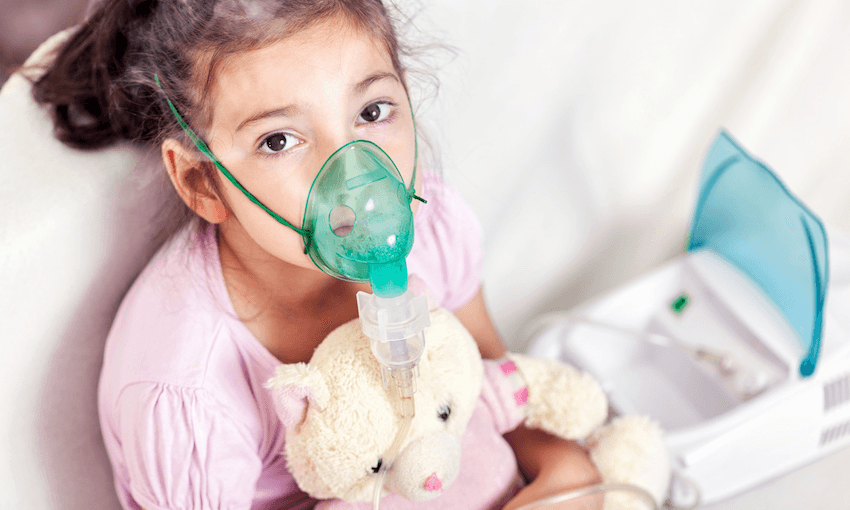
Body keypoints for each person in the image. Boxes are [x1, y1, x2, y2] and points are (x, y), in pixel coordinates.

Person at [31, 0, 602, 508]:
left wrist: (565, 471)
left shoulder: (431, 231)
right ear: (201, 180)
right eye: (279, 140)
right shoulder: (190, 387)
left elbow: (497, 379)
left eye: (372, 113)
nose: (355, 177)